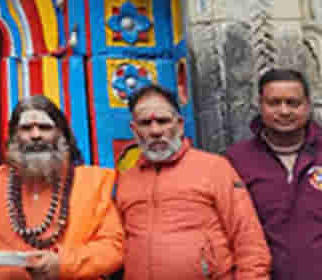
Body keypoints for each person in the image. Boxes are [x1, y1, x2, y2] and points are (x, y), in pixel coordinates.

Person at [225, 69, 322, 280]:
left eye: (293, 103)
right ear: (259, 105)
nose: (284, 111)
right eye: (274, 103)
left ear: (308, 105)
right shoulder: (236, 161)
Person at [115, 84, 270, 280]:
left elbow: (248, 239)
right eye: (145, 123)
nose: (155, 131)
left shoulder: (214, 168)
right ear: (134, 130)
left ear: (179, 125)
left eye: (163, 121)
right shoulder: (126, 180)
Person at [0, 95, 124, 280]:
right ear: (14, 136)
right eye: (26, 128)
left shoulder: (94, 182)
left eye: (45, 127)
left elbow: (113, 247)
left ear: (61, 134)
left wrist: (62, 264)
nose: (35, 135)